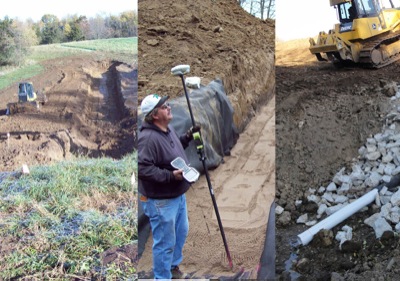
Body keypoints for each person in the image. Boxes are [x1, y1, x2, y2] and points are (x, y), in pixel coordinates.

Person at [138, 93, 199, 279]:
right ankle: (162, 277)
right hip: (161, 201)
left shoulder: (166, 129)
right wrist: (170, 176)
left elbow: (172, 149)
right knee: (165, 242)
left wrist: (187, 137)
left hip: (177, 195)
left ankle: (172, 267)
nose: (169, 107)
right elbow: (142, 168)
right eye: (164, 106)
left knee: (181, 231)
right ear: (155, 115)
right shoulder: (147, 139)